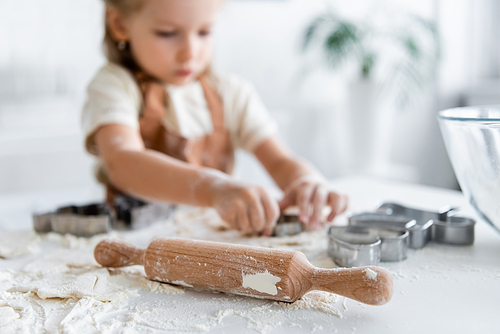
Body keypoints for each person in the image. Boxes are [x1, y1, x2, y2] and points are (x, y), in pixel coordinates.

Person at [82, 0, 348, 237]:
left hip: (213, 243)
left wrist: (307, 183)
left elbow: (280, 161)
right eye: (167, 33)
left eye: (204, 32)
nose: (190, 52)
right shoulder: (114, 87)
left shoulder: (230, 95)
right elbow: (122, 161)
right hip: (137, 244)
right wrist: (214, 188)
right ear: (119, 24)